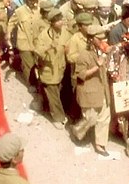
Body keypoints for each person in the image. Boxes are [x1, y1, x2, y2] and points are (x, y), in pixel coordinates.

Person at [69, 24, 112, 156]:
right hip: (89, 91)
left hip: (102, 90)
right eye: (100, 38)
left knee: (104, 118)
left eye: (104, 38)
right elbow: (80, 74)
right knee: (91, 118)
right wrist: (97, 66)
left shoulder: (102, 51)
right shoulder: (84, 55)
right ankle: (77, 131)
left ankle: (100, 144)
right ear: (92, 39)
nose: (103, 40)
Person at [34, 9, 70, 129]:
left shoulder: (64, 32)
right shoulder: (44, 35)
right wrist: (49, 46)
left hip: (59, 69)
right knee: (53, 95)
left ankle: (45, 106)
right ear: (52, 23)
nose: (60, 22)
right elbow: (37, 51)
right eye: (57, 21)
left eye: (61, 20)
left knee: (55, 93)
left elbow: (68, 45)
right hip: (48, 70)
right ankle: (58, 118)